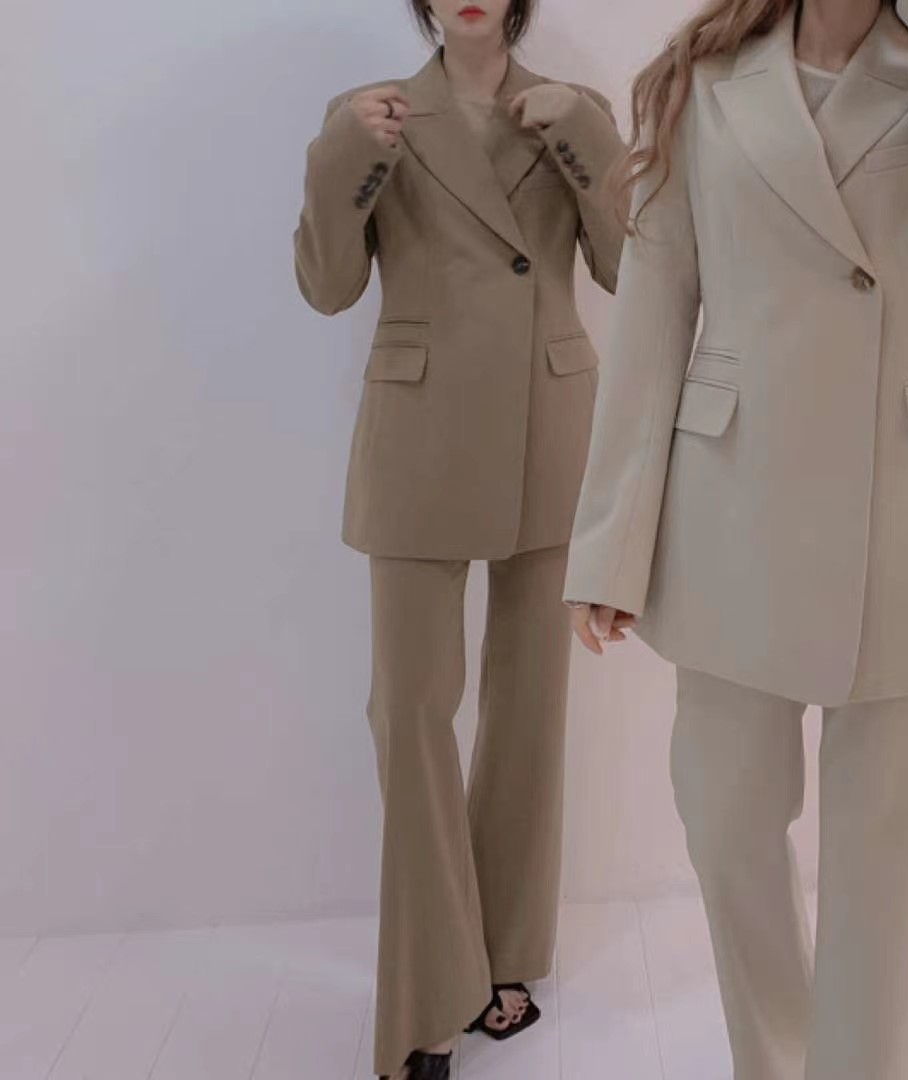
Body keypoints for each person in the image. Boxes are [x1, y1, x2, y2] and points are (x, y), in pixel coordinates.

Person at [562, 0, 908, 1078]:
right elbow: (656, 312)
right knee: (724, 817)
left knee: (886, 864)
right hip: (735, 502)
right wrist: (611, 543)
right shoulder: (704, 82)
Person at [292, 0, 626, 1076]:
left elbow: (630, 267)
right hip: (420, 438)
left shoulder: (574, 110)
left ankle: (506, 955)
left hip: (547, 429)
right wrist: (344, 158)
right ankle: (434, 981)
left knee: (529, 707)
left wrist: (585, 136)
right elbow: (327, 287)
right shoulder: (368, 116)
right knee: (410, 710)